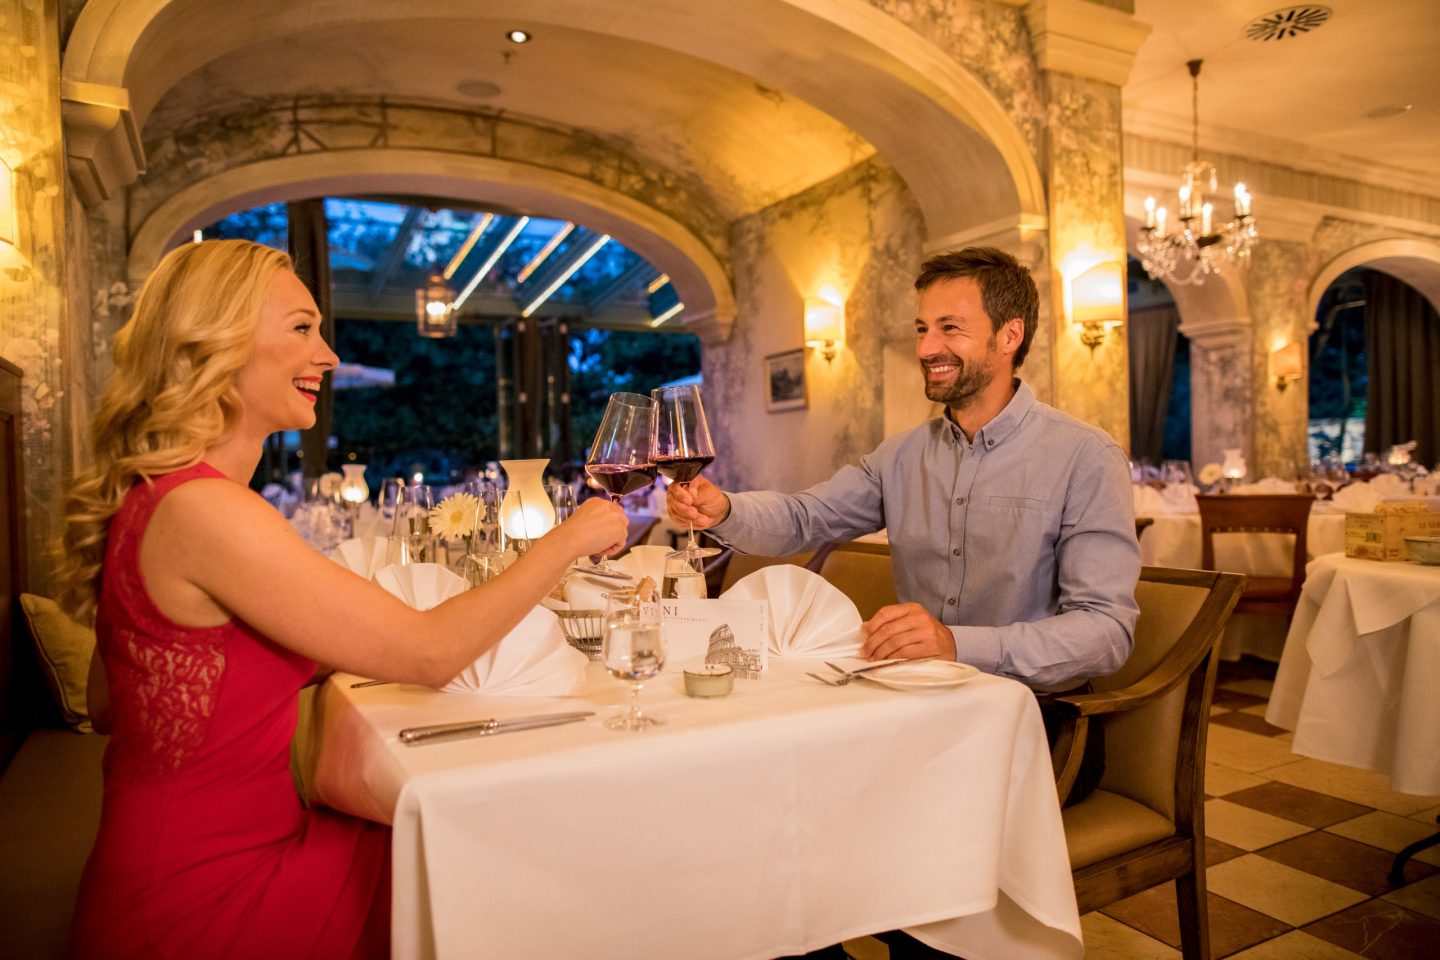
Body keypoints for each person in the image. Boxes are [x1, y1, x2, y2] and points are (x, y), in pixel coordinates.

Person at [58, 240, 628, 959]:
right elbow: (429, 652)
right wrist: (569, 538)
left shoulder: (158, 499)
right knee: (518, 855)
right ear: (215, 345)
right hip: (209, 900)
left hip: (160, 866)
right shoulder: (208, 510)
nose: (326, 356)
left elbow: (117, 703)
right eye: (301, 328)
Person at [670, 245, 1139, 690]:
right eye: (922, 329)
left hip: (1031, 711)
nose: (926, 348)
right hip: (911, 698)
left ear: (1009, 336)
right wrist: (724, 511)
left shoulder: (1086, 456)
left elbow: (1107, 632)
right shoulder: (900, 456)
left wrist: (958, 645)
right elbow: (803, 518)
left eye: (950, 328)